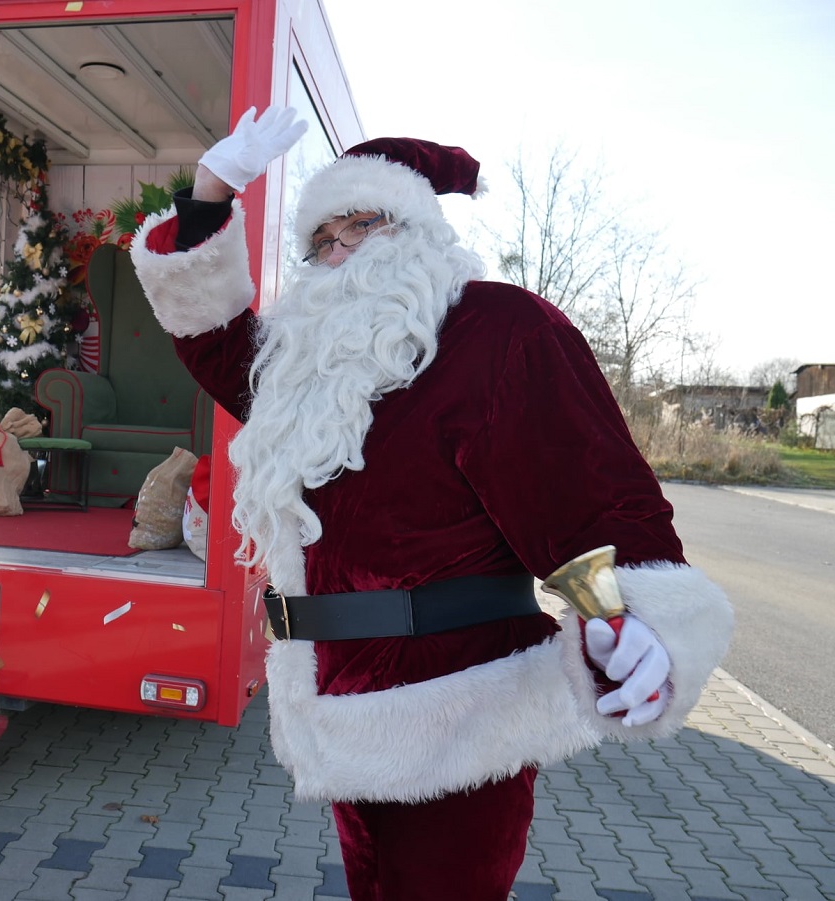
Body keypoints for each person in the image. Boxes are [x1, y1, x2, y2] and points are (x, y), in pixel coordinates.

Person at [129, 106, 734, 901]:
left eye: (360, 225)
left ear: (416, 230)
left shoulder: (498, 328)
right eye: (322, 240)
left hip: (463, 716)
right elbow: (213, 340)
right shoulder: (309, 365)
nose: (339, 251)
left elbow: (590, 486)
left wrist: (641, 615)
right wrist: (211, 193)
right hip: (338, 710)